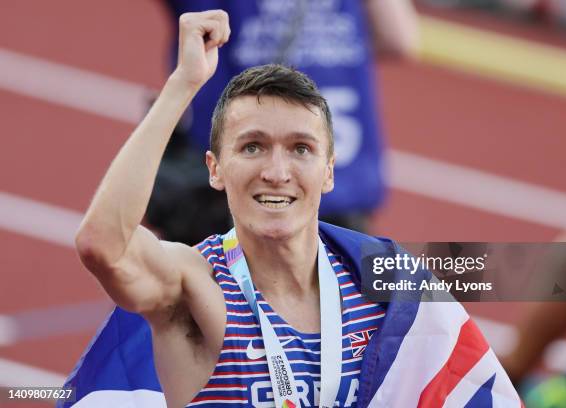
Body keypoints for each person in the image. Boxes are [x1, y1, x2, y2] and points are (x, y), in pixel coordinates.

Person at [68, 10, 520, 408]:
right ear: (216, 168)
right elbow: (104, 246)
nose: (277, 171)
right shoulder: (198, 289)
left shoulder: (383, 292)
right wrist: (182, 86)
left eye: (300, 149)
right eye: (252, 147)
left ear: (328, 170)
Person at [146, 0, 420, 241]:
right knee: (349, 293)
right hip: (340, 183)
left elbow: (399, 38)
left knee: (215, 291)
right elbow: (398, 37)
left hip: (244, 188)